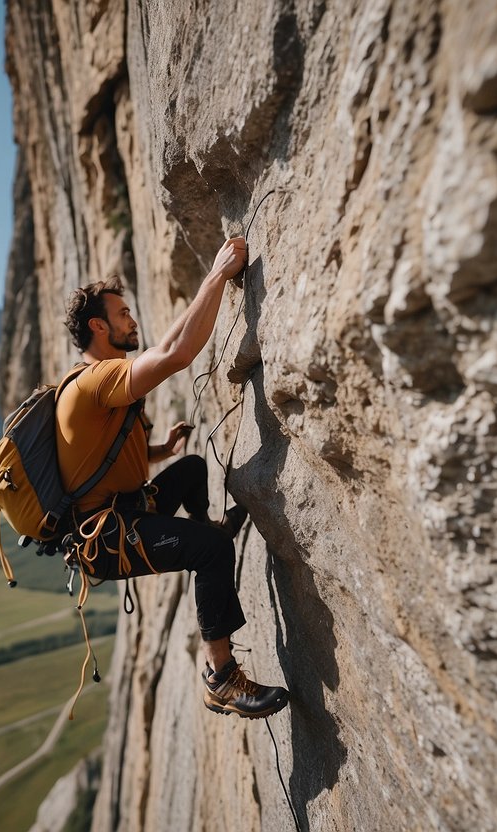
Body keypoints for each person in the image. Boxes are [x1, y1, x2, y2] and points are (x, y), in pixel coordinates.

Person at [56, 236, 289, 719]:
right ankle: (221, 679)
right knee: (211, 553)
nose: (132, 320)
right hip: (108, 536)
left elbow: (163, 347)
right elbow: (177, 353)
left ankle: (207, 525)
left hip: (122, 511)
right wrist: (217, 275)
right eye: (122, 315)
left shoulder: (99, 378)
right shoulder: (97, 381)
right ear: (99, 326)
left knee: (190, 470)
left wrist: (162, 449)